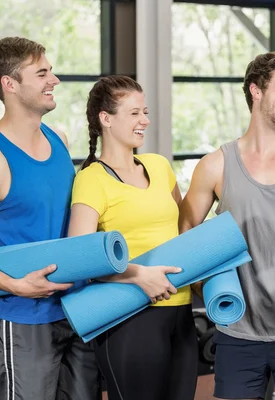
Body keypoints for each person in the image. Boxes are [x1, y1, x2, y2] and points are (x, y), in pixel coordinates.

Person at [179, 51, 275, 400]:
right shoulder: (214, 165)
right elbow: (187, 234)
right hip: (238, 332)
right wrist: (211, 291)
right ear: (256, 90)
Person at [0, 37, 100, 399]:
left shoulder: (57, 138)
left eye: (51, 70)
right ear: (9, 85)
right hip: (22, 318)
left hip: (76, 312)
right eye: (42, 73)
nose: (54, 80)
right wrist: (14, 285)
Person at [66, 75, 198, 400]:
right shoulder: (91, 180)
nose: (145, 121)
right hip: (130, 317)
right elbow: (78, 259)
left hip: (180, 310)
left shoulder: (159, 165)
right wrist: (139, 276)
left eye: (146, 111)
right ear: (106, 118)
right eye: (135, 113)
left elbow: (184, 232)